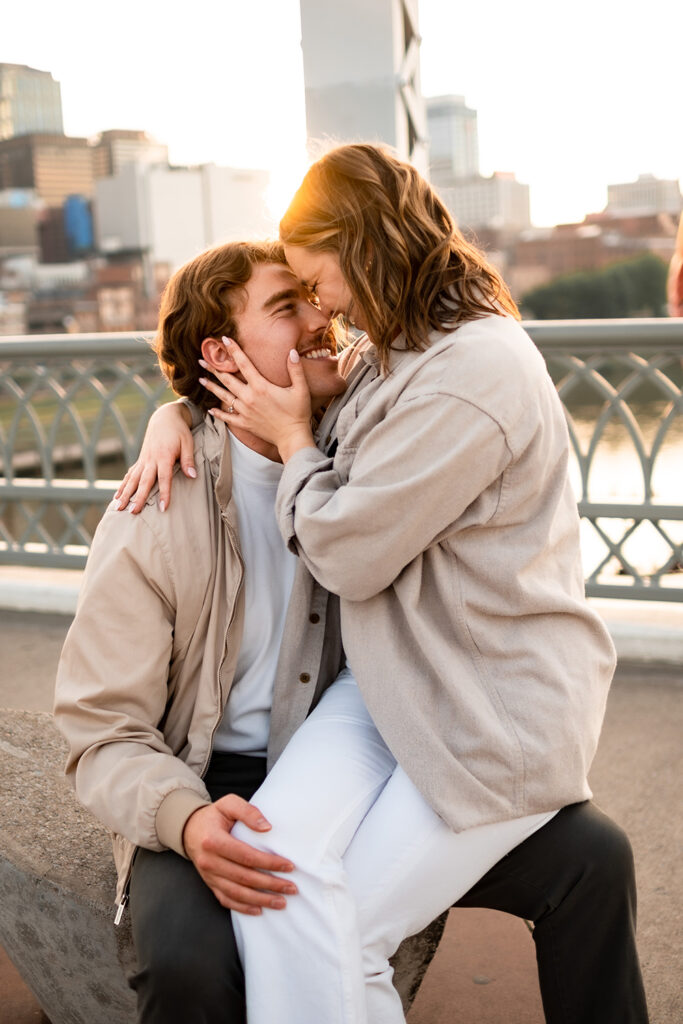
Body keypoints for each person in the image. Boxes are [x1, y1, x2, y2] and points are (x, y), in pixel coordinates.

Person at [121, 144, 649, 1023]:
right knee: (279, 889)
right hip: (387, 686)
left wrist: (293, 446)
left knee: (333, 930)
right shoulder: (396, 351)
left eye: (316, 280)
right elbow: (280, 387)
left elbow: (350, 553)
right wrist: (174, 411)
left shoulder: (471, 373)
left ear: (362, 243)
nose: (322, 306)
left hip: (486, 711)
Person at [54, 239, 352, 1023]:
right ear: (219, 351)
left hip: (349, 769)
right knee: (187, 964)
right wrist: (184, 821)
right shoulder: (151, 511)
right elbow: (100, 725)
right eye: (288, 307)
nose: (324, 318)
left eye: (315, 297)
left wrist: (177, 409)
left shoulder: (364, 459)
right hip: (197, 776)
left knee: (589, 859)